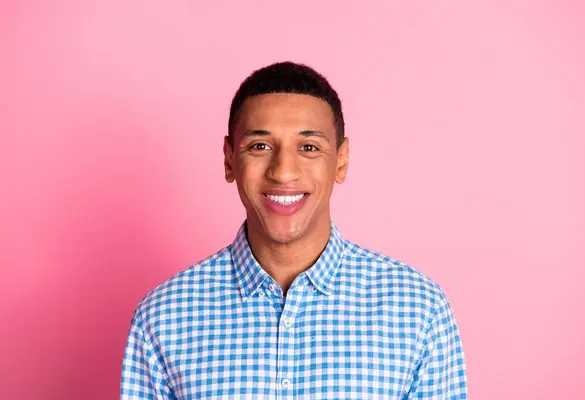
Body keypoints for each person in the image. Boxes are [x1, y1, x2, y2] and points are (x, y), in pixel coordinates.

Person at [121, 61, 468, 399]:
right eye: (260, 146)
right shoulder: (162, 318)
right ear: (229, 159)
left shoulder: (419, 311)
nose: (284, 172)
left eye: (308, 147)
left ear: (341, 161)